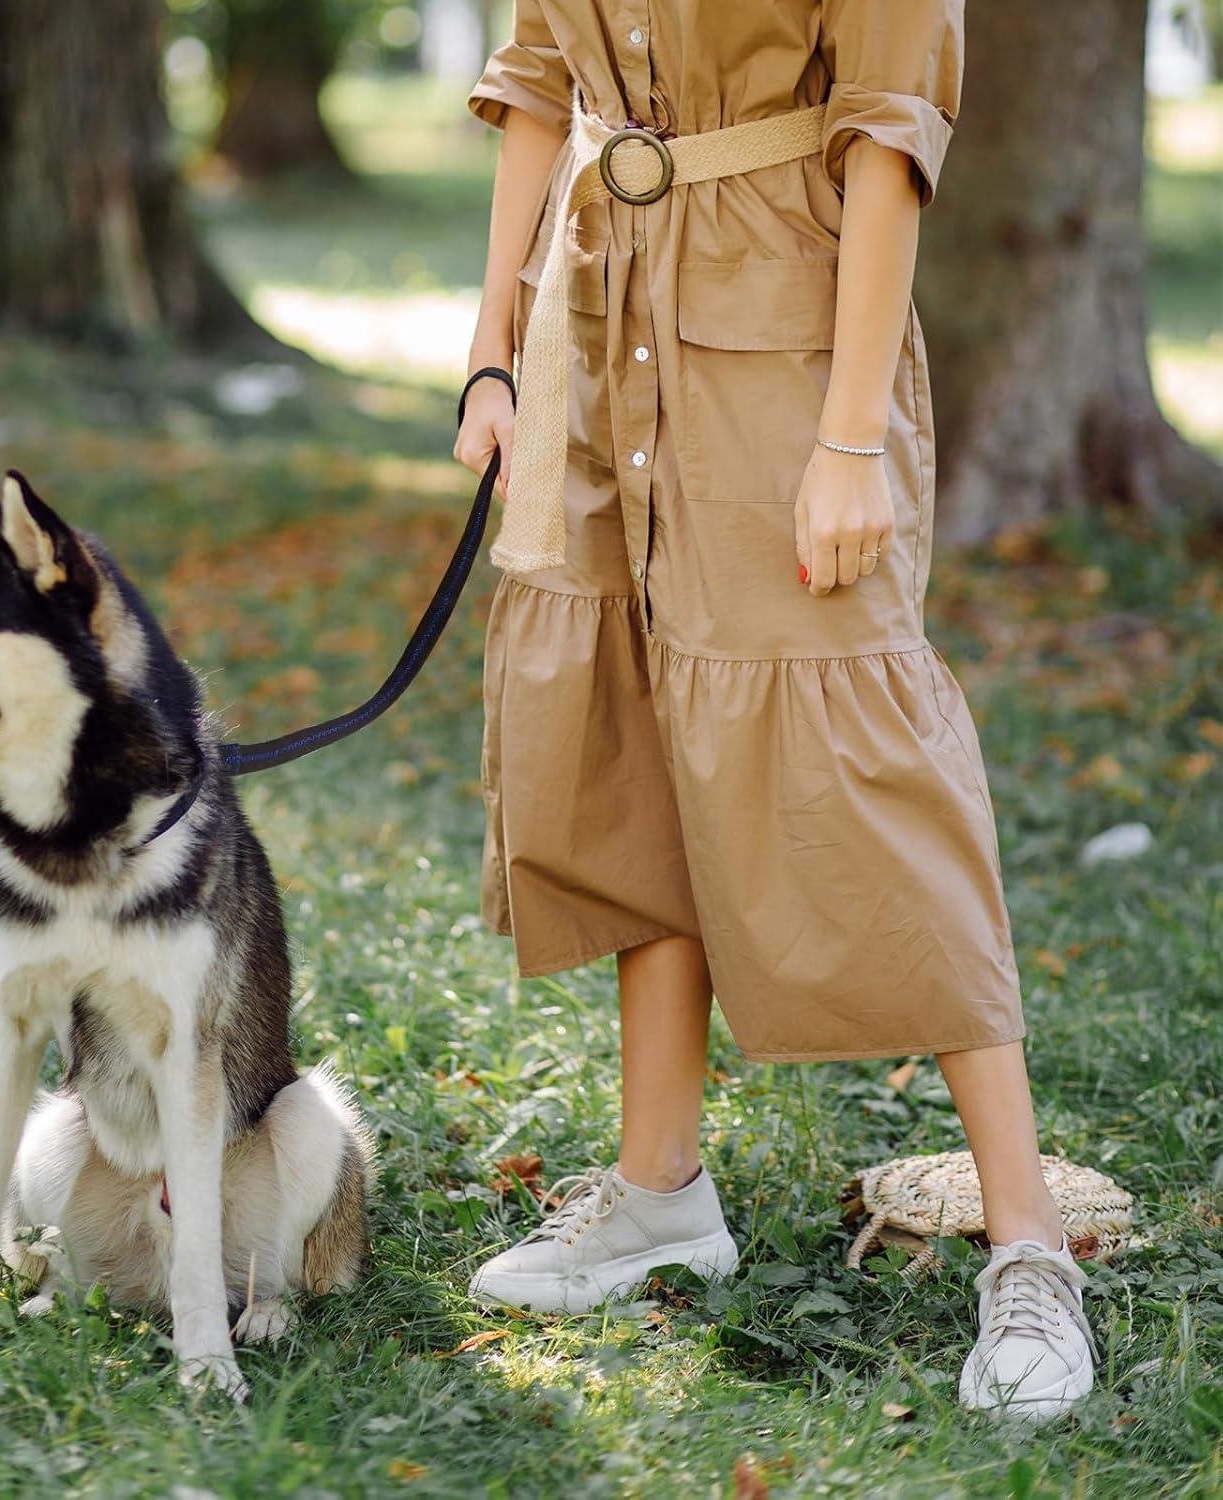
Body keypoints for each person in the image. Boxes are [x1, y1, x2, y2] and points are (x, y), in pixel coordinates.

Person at [452, 0, 1097, 1424]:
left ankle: (1031, 1244)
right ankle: (659, 1191)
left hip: (787, 344)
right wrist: (496, 346)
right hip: (596, 317)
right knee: (627, 729)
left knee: (867, 756)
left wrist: (852, 435)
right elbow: (543, 85)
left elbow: (888, 135)